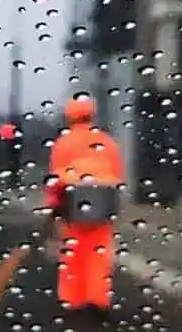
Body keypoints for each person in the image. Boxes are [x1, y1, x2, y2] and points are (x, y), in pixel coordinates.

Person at [44, 94, 126, 314]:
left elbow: (56, 176)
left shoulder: (64, 142)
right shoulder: (106, 141)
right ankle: (98, 298)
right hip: (103, 199)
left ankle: (74, 299)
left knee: (73, 252)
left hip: (74, 199)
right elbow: (117, 173)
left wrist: (53, 204)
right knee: (99, 252)